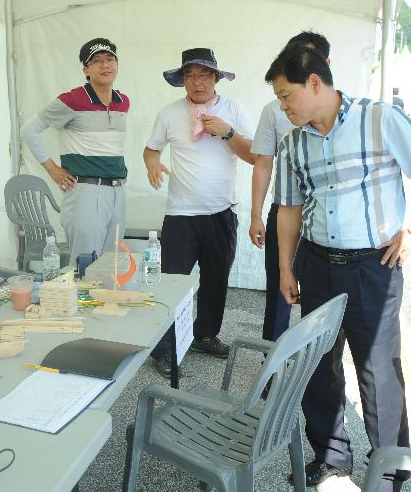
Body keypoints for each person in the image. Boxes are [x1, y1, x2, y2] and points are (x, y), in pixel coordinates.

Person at [267, 44, 411, 491]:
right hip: (315, 264)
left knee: (377, 371)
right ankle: (331, 458)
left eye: (287, 95)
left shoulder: (378, 119)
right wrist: (286, 268)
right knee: (317, 365)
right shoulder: (293, 143)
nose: (283, 106)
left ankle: (389, 469)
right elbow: (289, 209)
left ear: (314, 82)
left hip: (373, 266)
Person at [144, 48, 255, 377]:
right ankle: (165, 349)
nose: (197, 82)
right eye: (190, 75)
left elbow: (254, 155)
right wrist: (152, 164)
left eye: (204, 74)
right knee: (173, 284)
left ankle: (205, 334)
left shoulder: (233, 109)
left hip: (222, 212)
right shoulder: (169, 113)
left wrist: (227, 131)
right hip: (180, 214)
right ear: (182, 80)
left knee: (216, 280)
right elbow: (151, 149)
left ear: (216, 78)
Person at [249, 31, 330, 344]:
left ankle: (316, 366)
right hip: (284, 211)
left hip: (322, 217)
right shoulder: (275, 110)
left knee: (321, 298)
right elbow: (262, 162)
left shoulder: (341, 111)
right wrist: (256, 214)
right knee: (280, 289)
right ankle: (272, 360)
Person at [21, 38, 130, 264]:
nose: (105, 65)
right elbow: (29, 130)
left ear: (117, 65)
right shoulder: (73, 99)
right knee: (85, 266)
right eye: (97, 61)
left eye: (110, 60)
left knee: (111, 264)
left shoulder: (123, 101)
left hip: (117, 190)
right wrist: (52, 169)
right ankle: (77, 300)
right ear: (86, 70)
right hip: (87, 190)